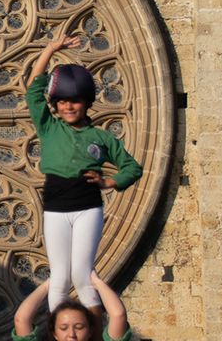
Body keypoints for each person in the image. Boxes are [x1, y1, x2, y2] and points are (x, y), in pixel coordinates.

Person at [25, 34, 141, 312]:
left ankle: (97, 333)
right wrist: (51, 49)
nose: (68, 106)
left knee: (82, 274)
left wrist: (110, 182)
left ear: (87, 103)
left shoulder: (101, 138)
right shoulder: (49, 128)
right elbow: (33, 89)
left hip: (87, 205)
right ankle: (58, 336)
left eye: (75, 101)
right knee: (60, 278)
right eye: (63, 101)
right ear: (55, 104)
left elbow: (132, 167)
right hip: (55, 204)